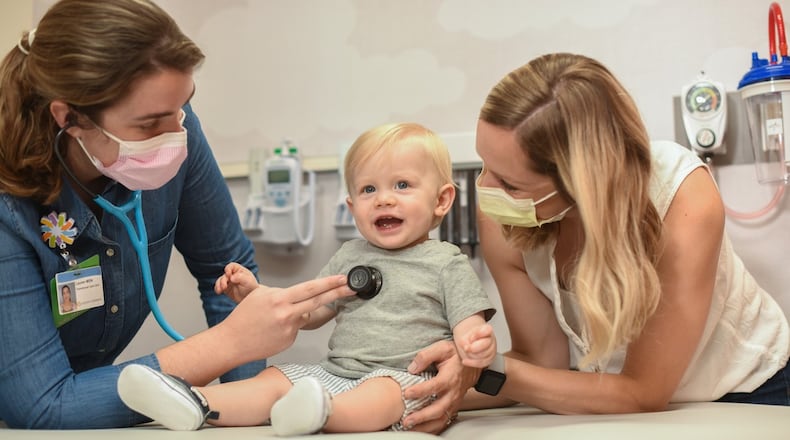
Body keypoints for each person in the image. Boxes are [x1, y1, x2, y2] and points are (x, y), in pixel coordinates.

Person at [0, 0, 355, 429]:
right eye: (149, 125)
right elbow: (42, 405)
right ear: (70, 118)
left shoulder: (176, 130)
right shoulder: (8, 207)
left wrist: (248, 415)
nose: (175, 138)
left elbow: (225, 272)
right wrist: (229, 343)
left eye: (182, 107)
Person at [451, 52, 790, 414]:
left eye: (510, 184)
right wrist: (437, 388)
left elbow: (642, 392)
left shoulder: (680, 195)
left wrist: (484, 373)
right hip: (612, 400)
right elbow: (539, 362)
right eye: (485, 164)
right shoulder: (505, 218)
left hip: (748, 393)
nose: (486, 189)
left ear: (582, 183)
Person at [116, 122, 497, 435]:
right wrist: (256, 295)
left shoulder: (445, 262)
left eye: (402, 185)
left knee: (381, 395)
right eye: (369, 189)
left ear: (441, 200)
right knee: (275, 380)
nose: (383, 199)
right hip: (335, 371)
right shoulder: (350, 255)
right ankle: (193, 400)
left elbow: (469, 325)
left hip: (405, 378)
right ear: (352, 207)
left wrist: (474, 343)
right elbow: (309, 312)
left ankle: (321, 413)